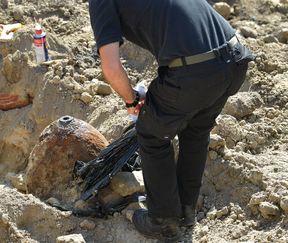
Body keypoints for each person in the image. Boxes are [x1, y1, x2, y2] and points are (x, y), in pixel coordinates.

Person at [88, 0, 254, 241]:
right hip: (235, 59)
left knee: (151, 132)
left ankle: (163, 220)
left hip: (196, 71)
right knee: (196, 130)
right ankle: (186, 212)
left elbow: (111, 67)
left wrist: (132, 100)